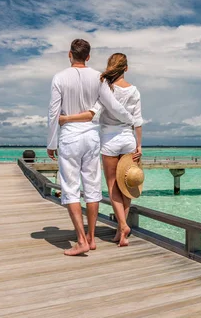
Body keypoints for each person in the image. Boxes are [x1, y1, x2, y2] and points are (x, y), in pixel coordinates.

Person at [47, 40, 135, 256]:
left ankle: (80, 240)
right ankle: (92, 238)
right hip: (92, 135)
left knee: (70, 187)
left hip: (70, 135)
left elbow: (53, 112)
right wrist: (130, 119)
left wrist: (51, 142)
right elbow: (113, 105)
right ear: (88, 57)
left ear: (70, 55)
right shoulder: (98, 77)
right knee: (93, 187)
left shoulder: (59, 77)